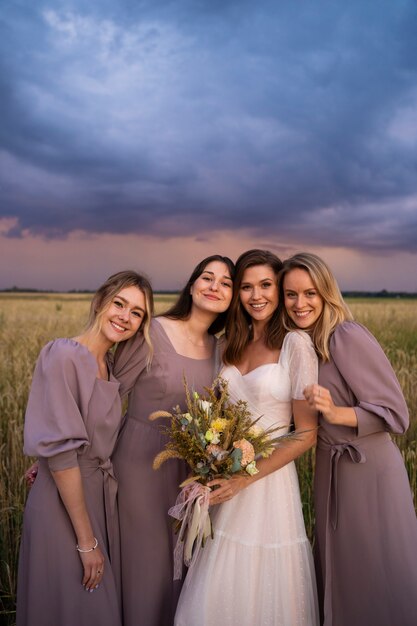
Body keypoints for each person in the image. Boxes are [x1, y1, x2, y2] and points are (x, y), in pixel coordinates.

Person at [175, 249, 320, 626]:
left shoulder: (295, 344)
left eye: (267, 285)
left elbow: (306, 433)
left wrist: (245, 478)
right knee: (215, 585)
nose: (257, 296)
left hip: (267, 485)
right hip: (224, 480)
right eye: (246, 287)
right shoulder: (227, 344)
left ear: (280, 287)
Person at [280, 252, 417, 626]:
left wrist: (336, 412)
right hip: (331, 468)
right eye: (290, 295)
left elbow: (395, 413)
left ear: (326, 293)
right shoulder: (303, 343)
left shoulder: (346, 336)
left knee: (375, 568)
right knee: (341, 567)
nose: (300, 303)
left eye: (310, 293)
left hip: (367, 469)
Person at [16, 270, 154, 626]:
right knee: (79, 606)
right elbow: (63, 453)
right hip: (65, 506)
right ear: (99, 302)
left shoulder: (109, 366)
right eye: (119, 304)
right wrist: (87, 542)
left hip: (94, 496)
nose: (125, 316)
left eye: (137, 313)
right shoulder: (64, 354)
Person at [111, 254, 234, 626]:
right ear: (192, 283)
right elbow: (109, 395)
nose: (214, 286)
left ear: (232, 298)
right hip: (138, 467)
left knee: (182, 568)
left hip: (189, 477)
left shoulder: (223, 350)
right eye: (207, 277)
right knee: (144, 566)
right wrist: (71, 447)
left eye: (226, 283)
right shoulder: (153, 330)